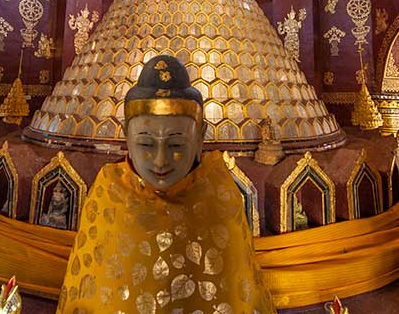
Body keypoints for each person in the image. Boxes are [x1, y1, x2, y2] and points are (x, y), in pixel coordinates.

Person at [57, 55, 275, 313]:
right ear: (126, 135)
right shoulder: (109, 195)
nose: (160, 160)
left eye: (176, 145)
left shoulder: (218, 196)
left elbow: (238, 295)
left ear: (200, 138)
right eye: (146, 143)